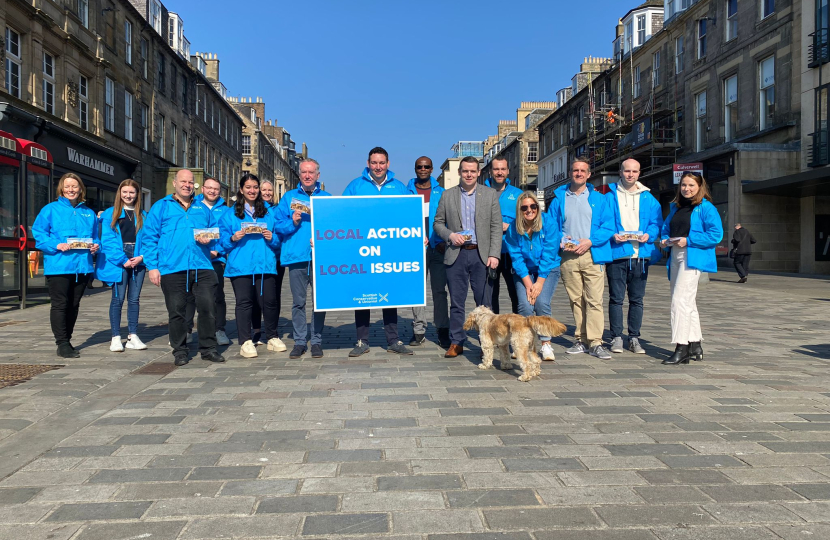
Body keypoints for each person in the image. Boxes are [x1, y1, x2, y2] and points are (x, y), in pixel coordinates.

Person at [141, 169, 225, 366]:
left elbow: (217, 234)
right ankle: (180, 350)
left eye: (190, 182)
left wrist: (214, 248)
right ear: (175, 183)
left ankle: (208, 348)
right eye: (183, 182)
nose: (187, 185)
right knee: (177, 311)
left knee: (207, 308)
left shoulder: (202, 208)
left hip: (202, 265)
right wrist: (152, 267)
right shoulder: (161, 207)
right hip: (172, 267)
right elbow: (149, 238)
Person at [342, 147, 413, 356]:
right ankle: (361, 341)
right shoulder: (355, 186)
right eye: (374, 163)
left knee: (389, 294)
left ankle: (393, 340)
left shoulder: (399, 188)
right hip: (363, 249)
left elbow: (409, 216)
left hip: (390, 250)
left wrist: (419, 236)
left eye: (382, 163)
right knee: (362, 295)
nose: (378, 167)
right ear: (368, 163)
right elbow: (342, 215)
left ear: (388, 164)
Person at [433, 156, 502, 358]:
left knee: (484, 304)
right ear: (459, 172)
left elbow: (496, 227)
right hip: (457, 255)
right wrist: (450, 235)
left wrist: (494, 254)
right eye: (465, 171)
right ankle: (457, 341)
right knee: (457, 302)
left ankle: (486, 344)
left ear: (479, 173)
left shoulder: (489, 195)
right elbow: (438, 223)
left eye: (473, 171)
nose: (469, 174)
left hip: (482, 256)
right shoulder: (447, 195)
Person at [548, 157, 614, 360]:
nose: (578, 173)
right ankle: (580, 339)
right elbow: (551, 225)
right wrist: (561, 238)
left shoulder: (600, 198)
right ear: (571, 172)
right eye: (575, 170)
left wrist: (590, 241)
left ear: (589, 174)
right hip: (568, 257)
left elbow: (609, 226)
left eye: (582, 170)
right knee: (576, 299)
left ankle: (595, 342)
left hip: (592, 255)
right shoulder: (559, 198)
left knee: (594, 300)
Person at [33, 172, 99, 358]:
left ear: (80, 189)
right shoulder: (50, 210)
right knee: (60, 304)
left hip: (82, 266)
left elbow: (95, 237)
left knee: (74, 304)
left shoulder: (89, 213)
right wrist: (56, 244)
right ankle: (62, 343)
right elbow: (39, 234)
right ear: (61, 189)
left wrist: (96, 246)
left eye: (74, 186)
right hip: (59, 265)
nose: (71, 189)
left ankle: (67, 339)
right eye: (67, 186)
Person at [659, 172, 723, 365]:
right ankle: (695, 344)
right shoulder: (676, 207)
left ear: (699, 187)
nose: (687, 189)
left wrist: (689, 240)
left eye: (691, 185)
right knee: (687, 302)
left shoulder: (706, 208)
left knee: (679, 301)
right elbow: (666, 228)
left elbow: (716, 235)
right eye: (684, 185)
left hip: (692, 257)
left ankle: (681, 347)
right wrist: (664, 240)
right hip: (676, 256)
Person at [219, 174, 283, 358]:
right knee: (244, 303)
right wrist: (233, 238)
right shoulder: (230, 214)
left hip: (265, 265)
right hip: (241, 265)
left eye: (255, 187)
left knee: (270, 302)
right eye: (248, 187)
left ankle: (272, 337)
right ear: (241, 190)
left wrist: (273, 238)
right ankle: (246, 341)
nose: (252, 190)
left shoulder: (270, 213)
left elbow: (280, 239)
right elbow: (222, 241)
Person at [605, 158, 663, 354]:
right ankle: (616, 338)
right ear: (620, 172)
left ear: (639, 173)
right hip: (617, 254)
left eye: (634, 171)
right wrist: (613, 234)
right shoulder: (609, 196)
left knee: (637, 300)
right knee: (616, 299)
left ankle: (634, 338)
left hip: (641, 255)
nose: (630, 174)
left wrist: (650, 235)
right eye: (627, 171)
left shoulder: (649, 198)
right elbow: (603, 221)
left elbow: (656, 223)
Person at [274, 159, 331, 359]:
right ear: (300, 175)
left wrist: (324, 239)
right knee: (298, 302)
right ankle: (299, 341)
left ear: (318, 175)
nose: (307, 176)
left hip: (320, 258)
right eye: (304, 172)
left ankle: (316, 341)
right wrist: (293, 221)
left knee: (319, 302)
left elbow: (335, 228)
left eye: (311, 172)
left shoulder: (326, 198)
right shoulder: (289, 197)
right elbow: (277, 226)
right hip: (296, 257)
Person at [505, 191, 562, 361]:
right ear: (519, 210)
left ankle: (546, 344)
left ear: (538, 207)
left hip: (548, 269)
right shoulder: (513, 229)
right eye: (524, 207)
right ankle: (523, 345)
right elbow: (516, 257)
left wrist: (539, 283)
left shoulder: (549, 223)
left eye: (533, 206)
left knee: (541, 302)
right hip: (524, 271)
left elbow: (549, 254)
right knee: (524, 305)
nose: (529, 210)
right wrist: (529, 284)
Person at [95, 179, 148, 352]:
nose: (128, 195)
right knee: (117, 299)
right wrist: (122, 259)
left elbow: (149, 239)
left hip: (138, 258)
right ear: (120, 193)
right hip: (119, 259)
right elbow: (107, 241)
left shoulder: (144, 215)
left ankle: (133, 335)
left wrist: (141, 257)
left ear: (137, 194)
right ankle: (116, 337)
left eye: (132, 192)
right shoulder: (110, 214)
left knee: (134, 299)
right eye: (125, 192)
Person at [406, 156, 450, 349]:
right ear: (415, 169)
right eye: (419, 166)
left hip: (438, 248)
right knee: (416, 290)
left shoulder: (442, 192)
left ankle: (442, 329)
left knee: (439, 291)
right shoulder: (405, 192)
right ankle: (419, 330)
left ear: (432, 169)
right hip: (415, 250)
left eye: (426, 166)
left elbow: (449, 219)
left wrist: (444, 240)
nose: (423, 169)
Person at [183, 177, 231, 347]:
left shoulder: (226, 210)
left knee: (217, 296)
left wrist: (218, 251)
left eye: (216, 189)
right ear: (202, 188)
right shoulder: (192, 206)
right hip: (195, 259)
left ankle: (219, 329)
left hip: (215, 259)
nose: (212, 191)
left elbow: (227, 234)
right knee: (189, 296)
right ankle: (187, 330)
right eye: (209, 188)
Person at [484, 157, 522, 314]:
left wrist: (510, 226)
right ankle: (494, 331)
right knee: (491, 294)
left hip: (511, 251)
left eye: (502, 169)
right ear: (491, 171)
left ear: (508, 171)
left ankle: (518, 330)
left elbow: (527, 219)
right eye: (496, 169)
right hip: (488, 251)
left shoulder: (518, 194)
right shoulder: (481, 192)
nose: (499, 172)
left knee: (516, 294)